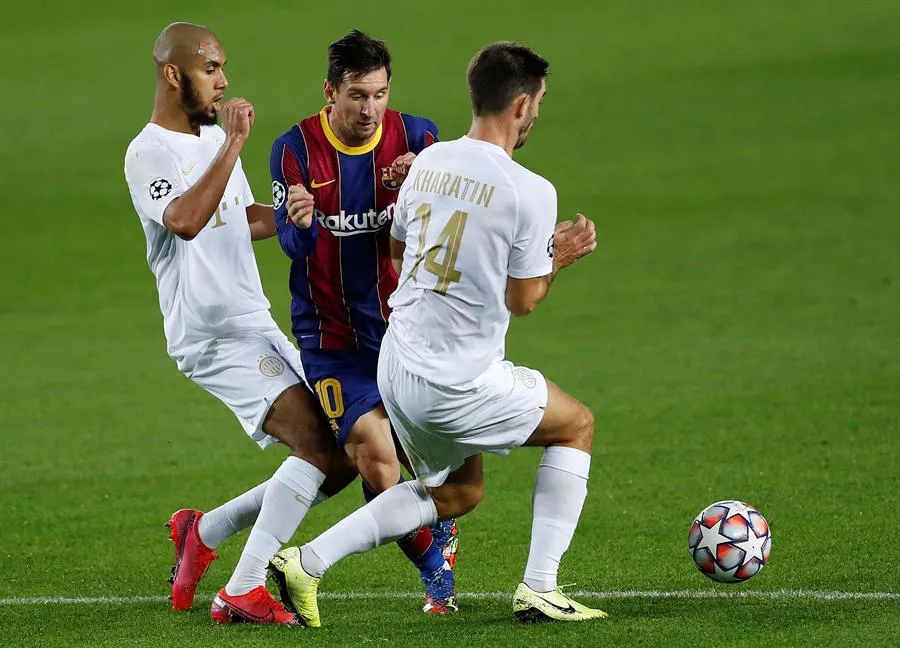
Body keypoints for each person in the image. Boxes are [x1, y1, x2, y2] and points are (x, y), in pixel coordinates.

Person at [268, 41, 608, 625]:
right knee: (575, 426)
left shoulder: (430, 160)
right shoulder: (531, 190)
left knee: (461, 491)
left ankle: (306, 561)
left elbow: (399, 248)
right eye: (539, 104)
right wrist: (558, 256)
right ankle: (540, 587)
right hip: (457, 378)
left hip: (398, 365)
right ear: (523, 105)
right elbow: (523, 300)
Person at [123, 22, 354, 626]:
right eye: (211, 69)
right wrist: (233, 146)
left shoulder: (207, 137)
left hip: (253, 320)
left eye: (224, 68)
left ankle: (205, 530)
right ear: (174, 75)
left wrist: (288, 213)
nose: (224, 82)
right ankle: (243, 589)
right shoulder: (149, 150)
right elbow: (185, 220)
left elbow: (233, 217)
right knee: (316, 442)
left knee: (347, 453)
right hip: (212, 334)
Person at [266, 30, 459, 617]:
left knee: (431, 465)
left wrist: (426, 178)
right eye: (356, 95)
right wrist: (297, 220)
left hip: (405, 331)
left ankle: (432, 528)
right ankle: (436, 569)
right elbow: (296, 248)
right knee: (376, 461)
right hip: (331, 338)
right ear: (330, 91)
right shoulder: (294, 146)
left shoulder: (420, 138)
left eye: (378, 95)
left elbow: (455, 223)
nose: (368, 109)